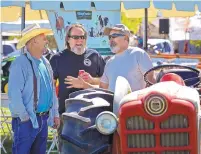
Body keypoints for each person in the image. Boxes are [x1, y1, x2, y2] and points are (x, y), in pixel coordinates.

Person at [49, 23, 106, 151]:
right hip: (66, 114)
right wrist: (53, 111)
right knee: (67, 150)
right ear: (68, 39)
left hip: (94, 113)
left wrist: (90, 80)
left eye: (82, 37)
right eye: (76, 37)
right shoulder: (57, 58)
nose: (80, 40)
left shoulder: (94, 56)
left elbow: (104, 82)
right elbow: (50, 86)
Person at [8, 23, 60, 154]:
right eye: (43, 37)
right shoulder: (19, 63)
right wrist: (24, 117)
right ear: (34, 40)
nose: (46, 41)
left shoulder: (45, 62)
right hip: (27, 121)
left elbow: (52, 91)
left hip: (43, 119)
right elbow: (14, 94)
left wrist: (55, 115)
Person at [65, 24, 155, 92]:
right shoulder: (110, 62)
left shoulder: (138, 54)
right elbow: (103, 90)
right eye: (109, 37)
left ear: (126, 38)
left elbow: (151, 83)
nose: (111, 39)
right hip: (112, 113)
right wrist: (85, 85)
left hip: (133, 112)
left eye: (114, 36)